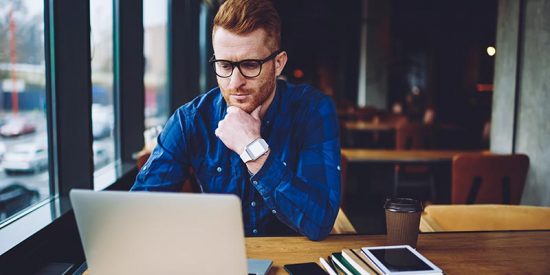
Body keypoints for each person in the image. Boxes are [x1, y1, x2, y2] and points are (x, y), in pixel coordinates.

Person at [131, 0, 341, 241]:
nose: (234, 83)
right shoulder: (190, 120)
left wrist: (252, 149)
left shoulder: (312, 110)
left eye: (250, 65)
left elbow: (319, 222)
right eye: (225, 65)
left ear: (278, 63)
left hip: (293, 262)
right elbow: (139, 212)